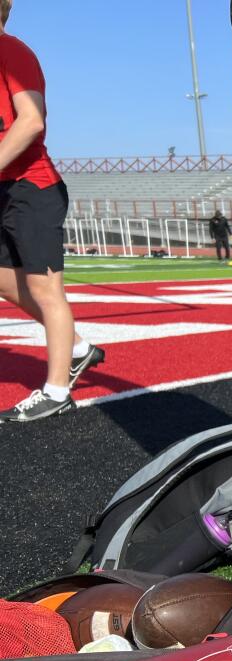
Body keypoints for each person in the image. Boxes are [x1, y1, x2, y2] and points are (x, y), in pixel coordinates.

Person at [0, 0, 102, 423]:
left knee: (47, 291)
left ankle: (57, 391)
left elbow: (31, 121)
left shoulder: (10, 50)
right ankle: (77, 348)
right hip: (7, 190)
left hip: (32, 188)